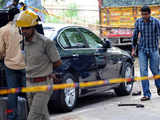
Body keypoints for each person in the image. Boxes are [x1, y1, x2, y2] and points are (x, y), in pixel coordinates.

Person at [16, 10, 62, 120]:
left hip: (44, 84)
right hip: (29, 84)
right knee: (42, 116)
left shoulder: (46, 43)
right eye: (22, 28)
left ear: (33, 27)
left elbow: (57, 62)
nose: (23, 31)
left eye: (26, 28)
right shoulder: (22, 44)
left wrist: (47, 71)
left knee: (33, 117)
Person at [0, 7, 26, 120]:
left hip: (10, 65)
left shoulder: (3, 30)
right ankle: (33, 115)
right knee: (29, 91)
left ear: (8, 17)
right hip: (25, 65)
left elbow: (0, 50)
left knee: (12, 93)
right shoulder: (25, 28)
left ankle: (12, 116)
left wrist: (4, 56)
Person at [132, 6, 160, 101]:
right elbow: (135, 37)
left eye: (145, 14)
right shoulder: (138, 22)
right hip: (142, 50)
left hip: (153, 50)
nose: (144, 16)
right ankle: (146, 94)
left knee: (155, 70)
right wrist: (133, 49)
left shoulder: (156, 22)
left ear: (149, 14)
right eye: (142, 14)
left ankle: (159, 87)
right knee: (143, 72)